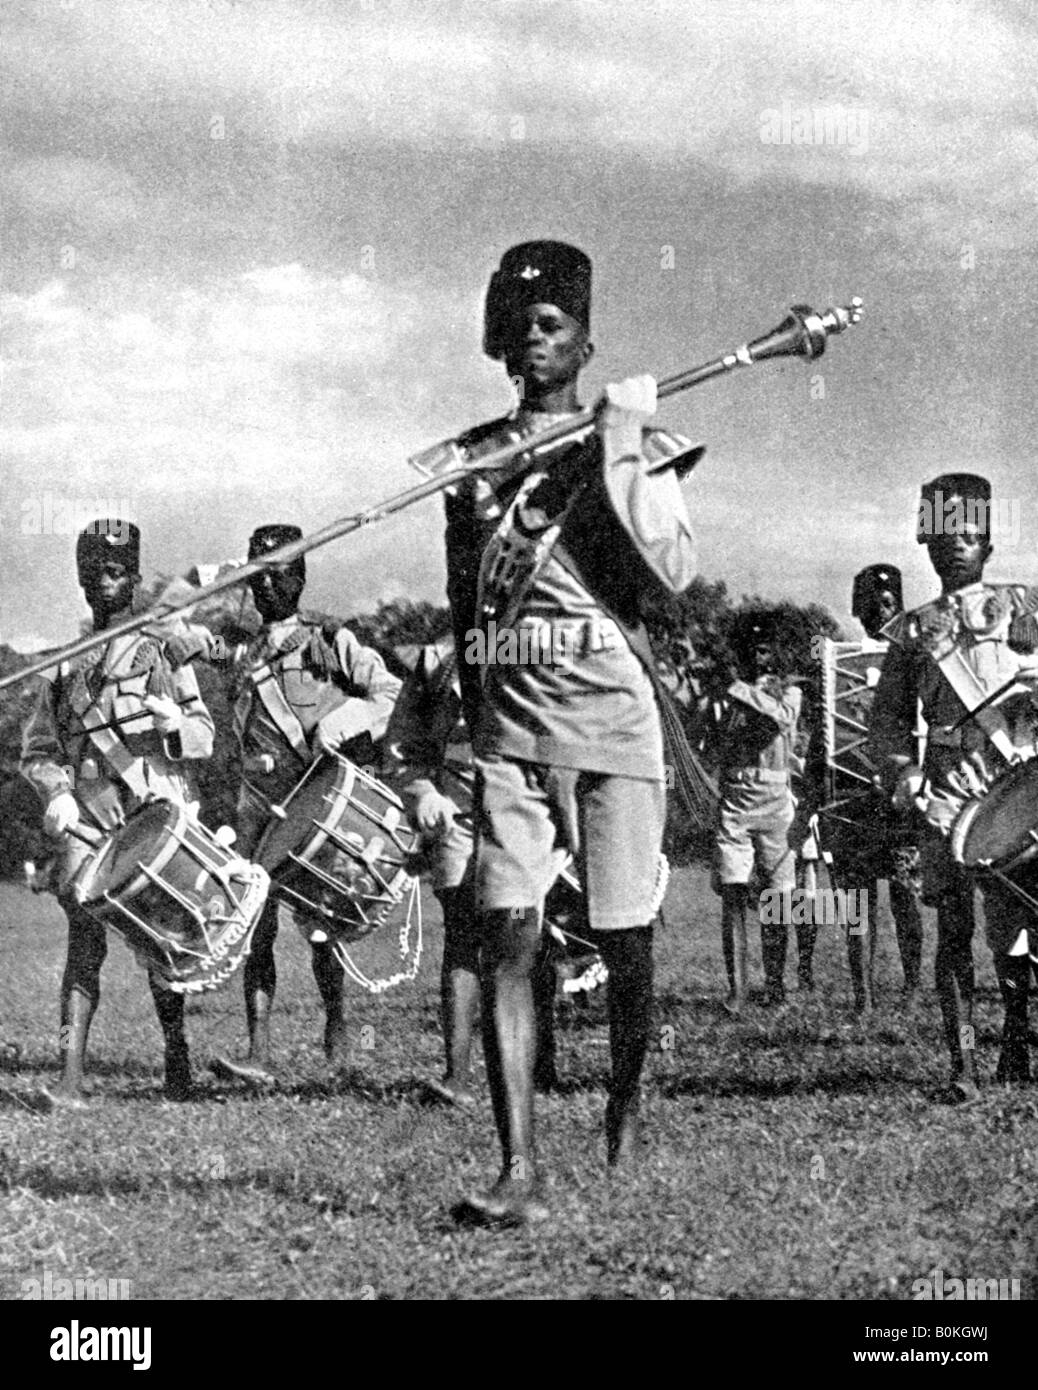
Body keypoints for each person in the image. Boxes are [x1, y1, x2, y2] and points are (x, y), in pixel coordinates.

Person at [442, 240, 702, 1223]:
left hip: (614, 722)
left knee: (623, 941)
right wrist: (473, 726)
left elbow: (670, 569)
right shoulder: (469, 460)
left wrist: (623, 441)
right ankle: (519, 1168)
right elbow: (463, 600)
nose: (535, 340)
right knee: (508, 932)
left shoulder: (631, 436)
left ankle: (626, 1101)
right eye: (520, 327)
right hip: (510, 731)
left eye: (553, 324)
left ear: (588, 338)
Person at [20, 521, 215, 1105]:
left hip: (150, 809)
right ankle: (71, 1079)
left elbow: (204, 733)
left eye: (114, 572)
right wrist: (54, 790)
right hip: (87, 816)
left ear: (133, 576)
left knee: (162, 940)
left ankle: (176, 1057)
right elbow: (38, 749)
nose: (102, 584)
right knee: (83, 939)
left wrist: (173, 724)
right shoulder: (64, 666)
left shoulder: (163, 649)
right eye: (91, 574)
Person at [209, 524, 401, 1085]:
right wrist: (209, 579)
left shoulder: (328, 641)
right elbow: (179, 638)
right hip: (256, 807)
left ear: (300, 576)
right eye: (258, 575)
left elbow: (388, 693)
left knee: (323, 926)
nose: (269, 586)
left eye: (280, 572)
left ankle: (339, 1034)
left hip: (312, 802)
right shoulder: (240, 650)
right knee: (256, 928)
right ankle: (259, 1051)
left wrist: (345, 722)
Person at [869, 474, 1038, 1099]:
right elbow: (885, 721)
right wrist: (904, 773)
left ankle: (1017, 1044)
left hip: (1015, 782)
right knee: (954, 932)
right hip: (944, 790)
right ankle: (963, 1063)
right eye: (943, 537)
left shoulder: (1025, 606)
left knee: (1018, 924)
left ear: (988, 545)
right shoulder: (912, 631)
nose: (955, 548)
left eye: (968, 536)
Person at [834, 564, 924, 1011]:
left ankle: (911, 990)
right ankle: (863, 997)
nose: (880, 612)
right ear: (857, 609)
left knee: (906, 897)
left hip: (901, 801)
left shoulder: (915, 657)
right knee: (857, 903)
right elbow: (826, 736)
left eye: (889, 603)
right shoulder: (839, 665)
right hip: (854, 800)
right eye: (871, 604)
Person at [713, 610, 803, 1014]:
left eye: (765, 649)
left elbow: (781, 719)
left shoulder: (791, 691)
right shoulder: (726, 691)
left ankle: (775, 984)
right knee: (732, 891)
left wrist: (734, 689)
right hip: (735, 794)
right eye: (750, 650)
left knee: (778, 898)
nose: (758, 658)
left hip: (775, 797)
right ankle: (737, 989)